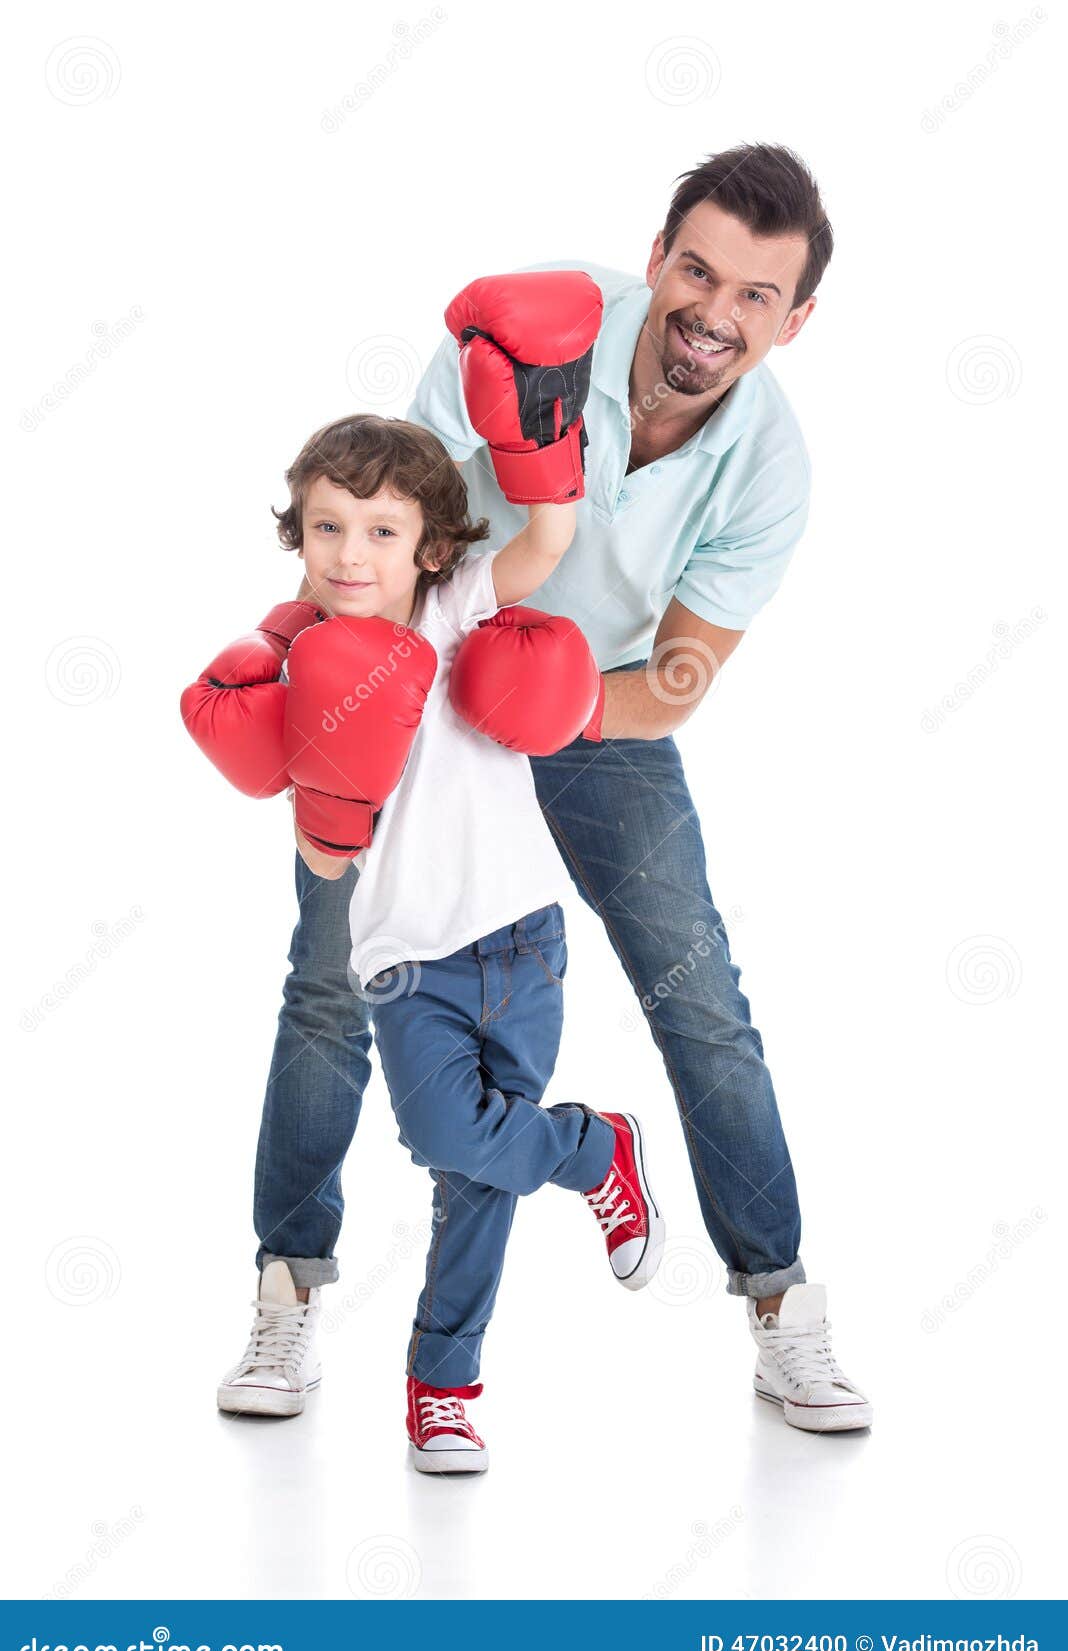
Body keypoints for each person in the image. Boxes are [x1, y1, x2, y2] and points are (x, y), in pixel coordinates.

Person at [246, 142, 872, 1436]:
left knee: (698, 992)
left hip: (602, 702)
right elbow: (390, 528)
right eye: (697, 271)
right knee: (329, 984)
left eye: (758, 296)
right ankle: (289, 1290)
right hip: (424, 679)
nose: (715, 311)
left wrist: (558, 704)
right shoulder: (525, 335)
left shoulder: (770, 466)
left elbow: (686, 672)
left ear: (795, 320)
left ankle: (782, 1306)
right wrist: (344, 663)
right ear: (656, 261)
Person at [191, 270, 669, 1472]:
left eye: (382, 529)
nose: (353, 553)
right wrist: (326, 795)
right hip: (406, 959)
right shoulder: (289, 657)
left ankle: (443, 1387)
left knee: (474, 1182)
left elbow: (549, 535)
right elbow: (317, 847)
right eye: (327, 527)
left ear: (429, 543)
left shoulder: (455, 605)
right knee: (453, 1137)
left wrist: (541, 411)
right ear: (295, 533)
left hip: (522, 934)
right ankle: (596, 1148)